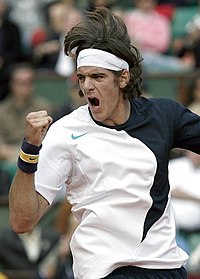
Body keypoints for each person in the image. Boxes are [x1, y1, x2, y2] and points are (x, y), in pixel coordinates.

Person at [8, 7, 200, 279]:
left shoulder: (163, 115)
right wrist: (29, 151)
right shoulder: (64, 133)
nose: (87, 86)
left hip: (164, 268)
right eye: (82, 77)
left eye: (98, 77)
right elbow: (21, 220)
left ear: (123, 78)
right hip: (103, 272)